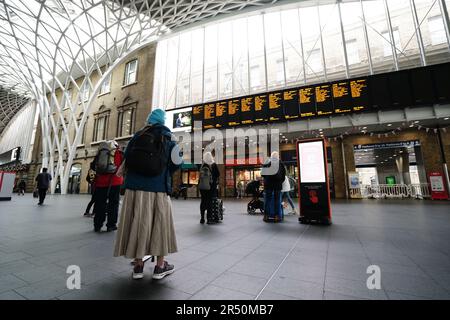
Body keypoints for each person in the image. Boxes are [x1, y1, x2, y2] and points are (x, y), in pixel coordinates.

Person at [114, 109, 182, 280]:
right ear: (163, 121)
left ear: (149, 120)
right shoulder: (168, 137)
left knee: (138, 223)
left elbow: (127, 158)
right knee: (160, 223)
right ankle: (160, 266)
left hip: (134, 189)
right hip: (157, 188)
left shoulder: (137, 136)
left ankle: (138, 265)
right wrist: (165, 172)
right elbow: (177, 161)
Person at [92, 140, 124, 232]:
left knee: (100, 203)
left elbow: (93, 166)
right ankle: (111, 225)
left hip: (100, 183)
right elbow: (123, 167)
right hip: (115, 182)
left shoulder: (100, 153)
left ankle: (97, 225)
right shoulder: (119, 153)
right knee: (113, 204)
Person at [261, 151, 286, 222]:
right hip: (277, 185)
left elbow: (262, 174)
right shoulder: (281, 164)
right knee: (278, 201)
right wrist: (280, 182)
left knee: (267, 201)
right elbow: (284, 176)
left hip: (268, 185)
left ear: (271, 157)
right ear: (278, 157)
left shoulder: (267, 163)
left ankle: (266, 216)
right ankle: (277, 216)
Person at [198, 152, 220, 224]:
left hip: (202, 187)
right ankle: (209, 218)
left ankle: (202, 218)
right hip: (211, 186)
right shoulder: (213, 164)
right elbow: (218, 174)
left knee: (203, 201)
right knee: (209, 201)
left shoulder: (202, 165)